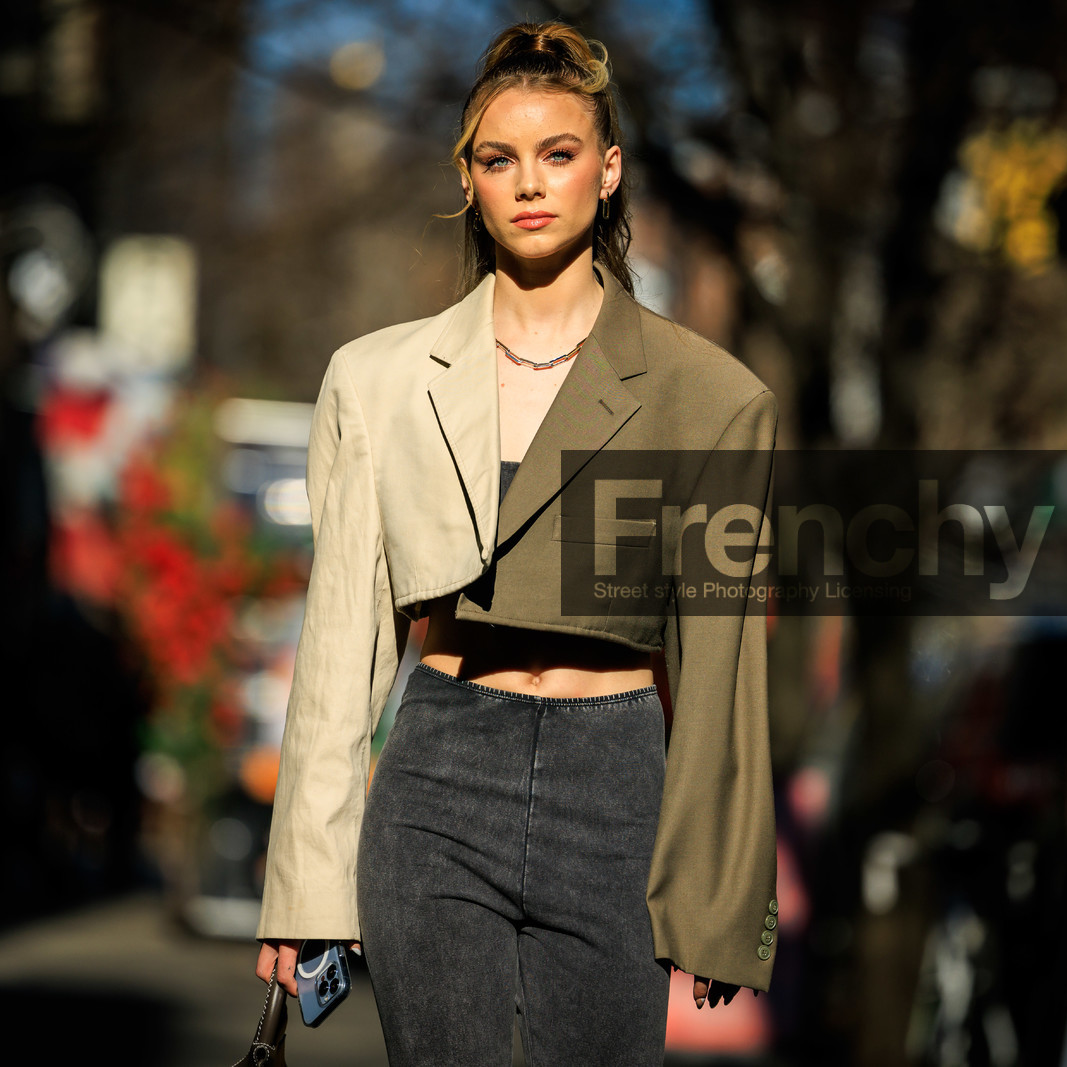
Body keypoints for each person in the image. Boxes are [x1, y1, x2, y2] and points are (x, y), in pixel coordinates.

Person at [252, 20, 781, 1066]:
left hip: (614, 786)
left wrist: (721, 893)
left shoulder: (712, 399)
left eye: (559, 152)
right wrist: (305, 889)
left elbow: (723, 670)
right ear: (469, 180)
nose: (529, 182)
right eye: (499, 159)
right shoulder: (379, 381)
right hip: (439, 777)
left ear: (609, 169)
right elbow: (341, 648)